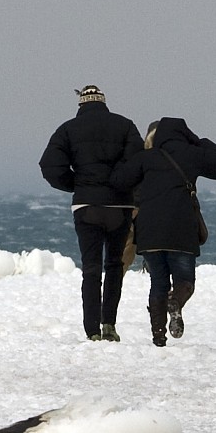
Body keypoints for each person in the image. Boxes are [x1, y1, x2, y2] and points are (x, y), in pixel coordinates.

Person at [38, 85, 142, 341]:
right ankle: (109, 325)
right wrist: (120, 184)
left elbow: (49, 165)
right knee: (114, 265)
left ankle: (92, 330)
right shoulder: (125, 125)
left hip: (87, 206)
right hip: (119, 206)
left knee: (91, 269)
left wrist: (75, 184)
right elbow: (137, 163)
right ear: (103, 102)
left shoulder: (67, 129)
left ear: (81, 104)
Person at [122, 118, 216, 347]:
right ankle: (175, 302)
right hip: (181, 231)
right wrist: (197, 141)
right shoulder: (191, 154)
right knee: (185, 281)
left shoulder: (146, 158)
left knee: (158, 283)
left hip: (150, 232)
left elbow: (119, 180)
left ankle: (158, 335)